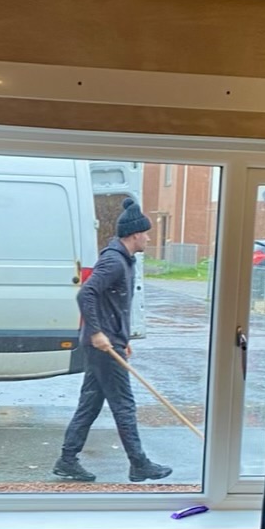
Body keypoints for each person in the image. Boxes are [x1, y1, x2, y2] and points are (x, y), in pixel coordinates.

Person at [53, 197, 172, 484]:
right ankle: (139, 464)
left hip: (110, 343)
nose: (148, 238)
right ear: (134, 235)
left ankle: (67, 460)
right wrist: (97, 332)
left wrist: (122, 337)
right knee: (124, 405)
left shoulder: (124, 260)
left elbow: (114, 305)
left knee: (90, 404)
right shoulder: (114, 261)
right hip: (103, 347)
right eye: (145, 233)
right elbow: (86, 294)